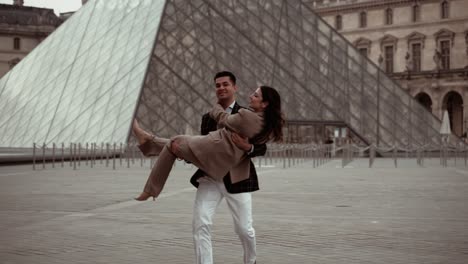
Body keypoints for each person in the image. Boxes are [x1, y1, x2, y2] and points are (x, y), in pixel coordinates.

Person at [132, 85, 284, 203]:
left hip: (212, 149)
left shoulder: (247, 116)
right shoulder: (269, 126)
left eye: (255, 95)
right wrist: (248, 147)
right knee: (174, 145)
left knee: (174, 143)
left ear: (264, 104)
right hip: (221, 158)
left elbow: (223, 118)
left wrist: (217, 106)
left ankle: (151, 189)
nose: (251, 96)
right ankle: (148, 141)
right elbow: (259, 145)